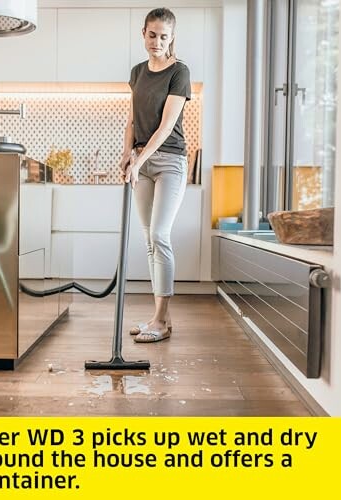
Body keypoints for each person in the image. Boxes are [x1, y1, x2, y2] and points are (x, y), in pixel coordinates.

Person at [120, 7, 191, 343]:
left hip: (170, 162)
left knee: (160, 236)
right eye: (152, 34)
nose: (157, 41)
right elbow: (133, 120)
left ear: (172, 37)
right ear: (143, 33)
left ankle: (160, 321)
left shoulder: (179, 72)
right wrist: (126, 155)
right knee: (150, 241)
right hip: (141, 162)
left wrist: (139, 159)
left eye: (164, 36)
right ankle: (159, 317)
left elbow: (164, 128)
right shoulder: (136, 72)